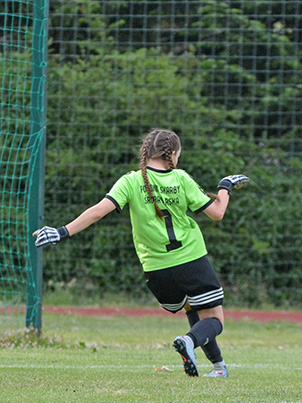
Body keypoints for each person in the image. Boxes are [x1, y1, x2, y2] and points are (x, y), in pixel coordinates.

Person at [34, 128, 249, 378]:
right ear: (174, 154)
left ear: (145, 152)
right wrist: (225, 186)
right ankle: (189, 342)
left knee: (193, 307)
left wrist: (62, 232)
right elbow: (217, 212)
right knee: (214, 319)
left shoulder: (130, 181)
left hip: (156, 271)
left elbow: (97, 211)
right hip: (191, 260)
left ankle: (219, 368)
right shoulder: (180, 179)